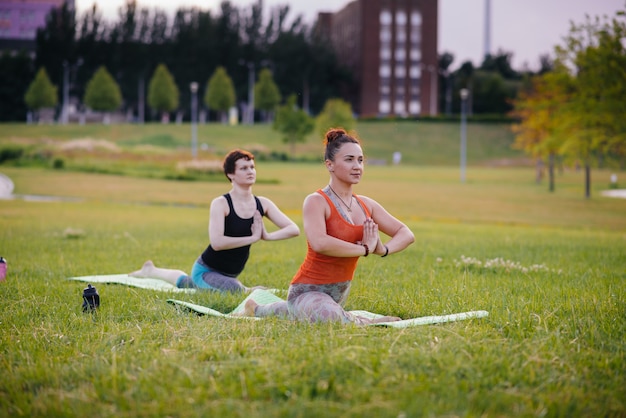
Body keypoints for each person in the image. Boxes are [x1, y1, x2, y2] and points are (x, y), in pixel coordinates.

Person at [242, 128, 415, 323]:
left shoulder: (366, 204)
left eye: (360, 160)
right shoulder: (316, 201)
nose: (357, 166)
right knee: (327, 316)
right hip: (307, 291)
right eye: (349, 159)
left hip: (337, 294)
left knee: (310, 312)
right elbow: (320, 243)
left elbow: (406, 233)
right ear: (329, 165)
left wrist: (382, 249)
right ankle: (366, 322)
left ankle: (257, 309)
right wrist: (364, 249)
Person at [130, 149, 300, 292]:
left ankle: (151, 270)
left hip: (228, 274)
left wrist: (267, 236)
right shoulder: (221, 203)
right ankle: (244, 289)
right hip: (206, 270)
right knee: (234, 290)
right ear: (230, 174)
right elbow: (217, 242)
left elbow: (293, 229)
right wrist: (252, 238)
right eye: (243, 168)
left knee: (187, 284)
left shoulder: (263, 203)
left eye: (252, 167)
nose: (250, 171)